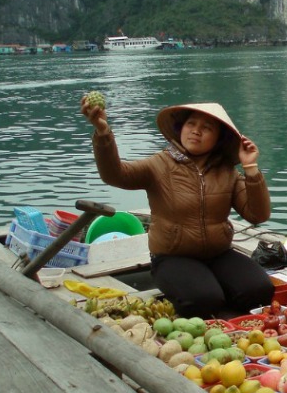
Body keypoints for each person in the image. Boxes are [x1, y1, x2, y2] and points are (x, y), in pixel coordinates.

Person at [80, 98, 275, 319]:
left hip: (218, 253)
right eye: (191, 124)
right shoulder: (159, 165)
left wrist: (250, 168)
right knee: (205, 300)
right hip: (173, 256)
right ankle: (197, 291)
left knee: (260, 291)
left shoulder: (227, 172)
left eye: (207, 128)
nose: (196, 132)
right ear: (180, 128)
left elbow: (258, 215)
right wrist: (103, 132)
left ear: (219, 139)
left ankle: (217, 294)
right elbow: (115, 174)